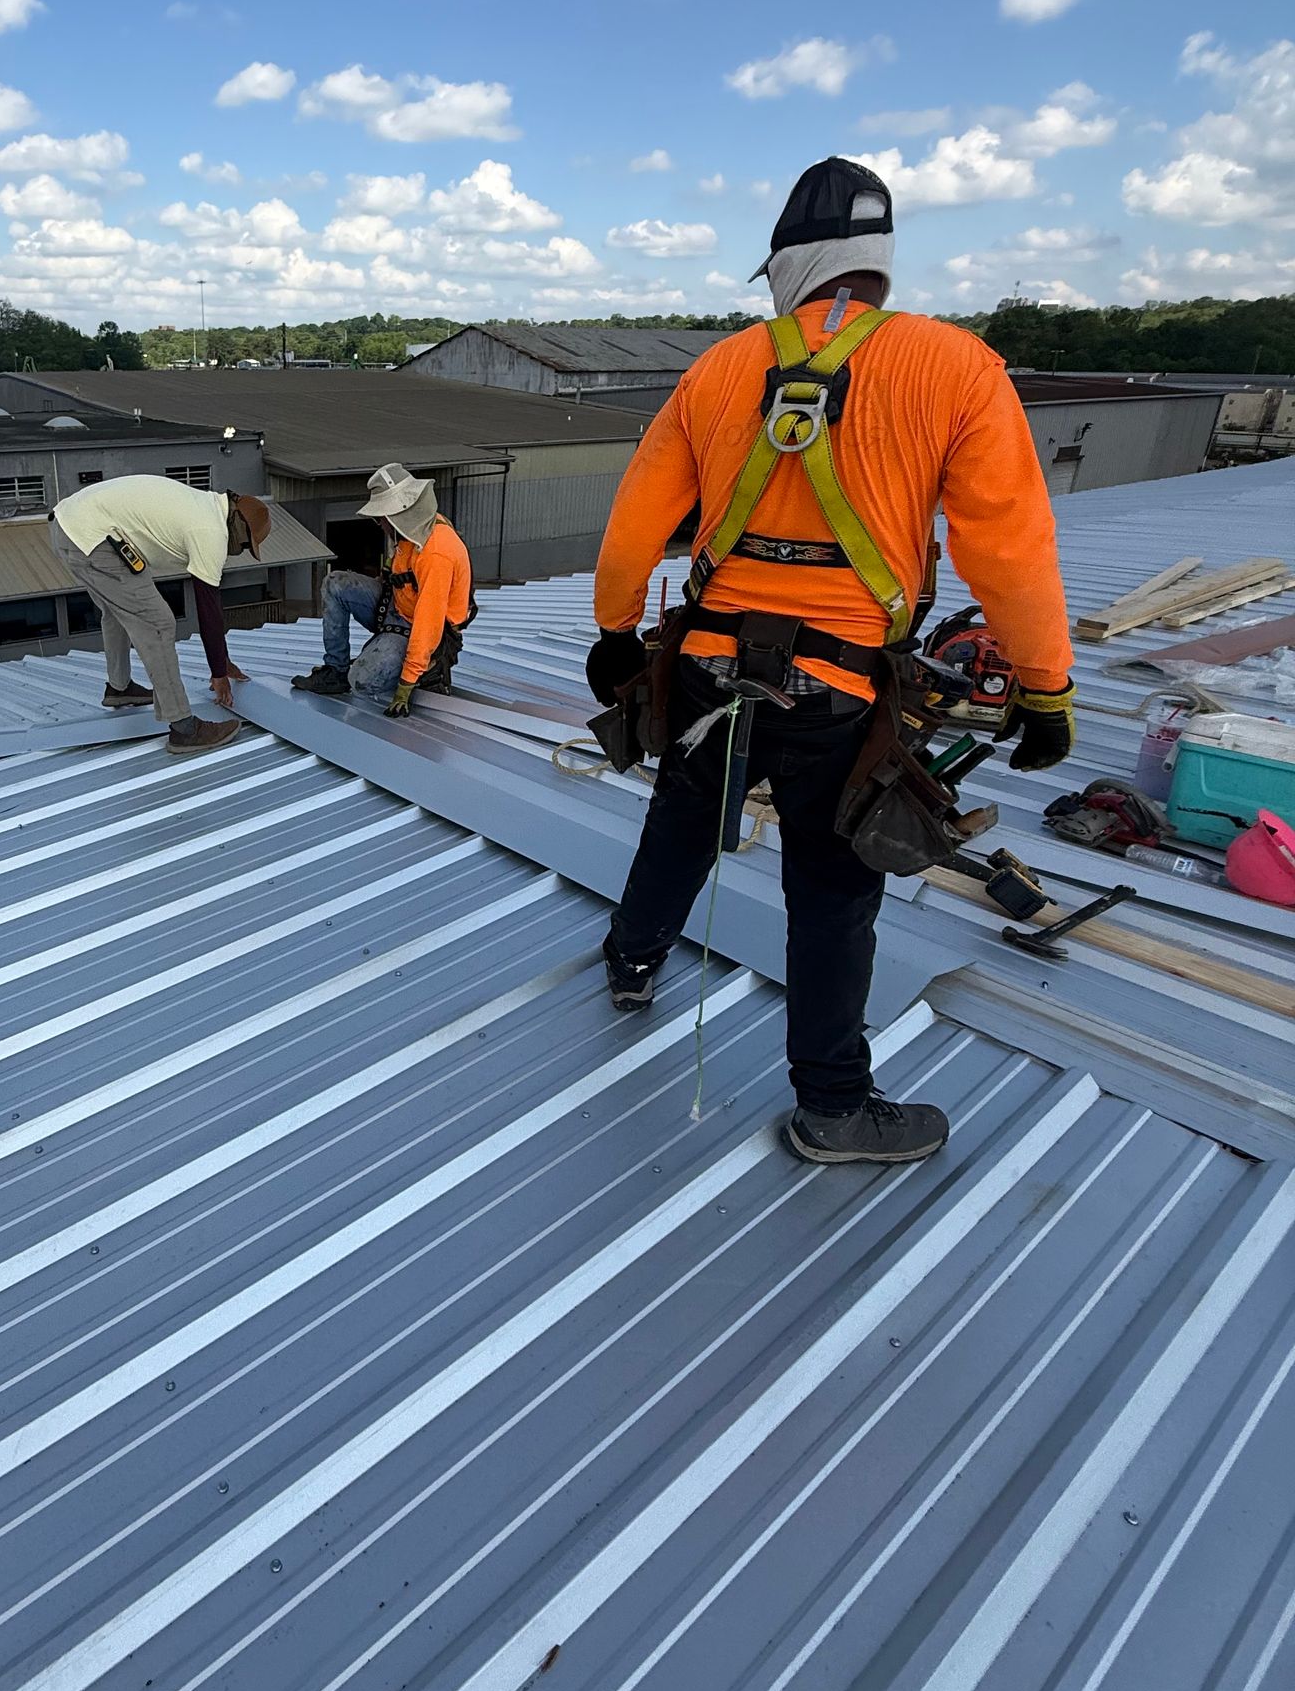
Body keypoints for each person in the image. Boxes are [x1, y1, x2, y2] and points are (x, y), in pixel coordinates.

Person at [586, 156, 1075, 1165]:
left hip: (705, 666)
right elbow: (1009, 542)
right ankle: (834, 1106)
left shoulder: (719, 369)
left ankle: (631, 961)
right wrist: (1045, 683)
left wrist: (613, 627)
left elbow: (638, 521)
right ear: (878, 266)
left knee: (681, 818)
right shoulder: (954, 366)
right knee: (834, 888)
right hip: (840, 689)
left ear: (789, 268)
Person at [49, 473, 271, 755]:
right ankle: (183, 728)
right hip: (93, 537)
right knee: (158, 622)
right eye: (243, 545)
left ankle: (119, 688)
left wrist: (222, 660)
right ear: (239, 527)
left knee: (117, 610)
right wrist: (218, 671)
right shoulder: (211, 531)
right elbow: (209, 608)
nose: (238, 551)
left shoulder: (206, 505)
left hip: (68, 525)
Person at [292, 462, 474, 715]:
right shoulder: (409, 532)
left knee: (361, 681)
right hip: (396, 607)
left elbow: (428, 623)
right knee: (335, 584)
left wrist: (406, 683)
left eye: (380, 519)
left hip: (421, 631)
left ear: (396, 516)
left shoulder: (436, 553)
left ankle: (428, 671)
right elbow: (399, 573)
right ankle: (335, 670)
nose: (379, 524)